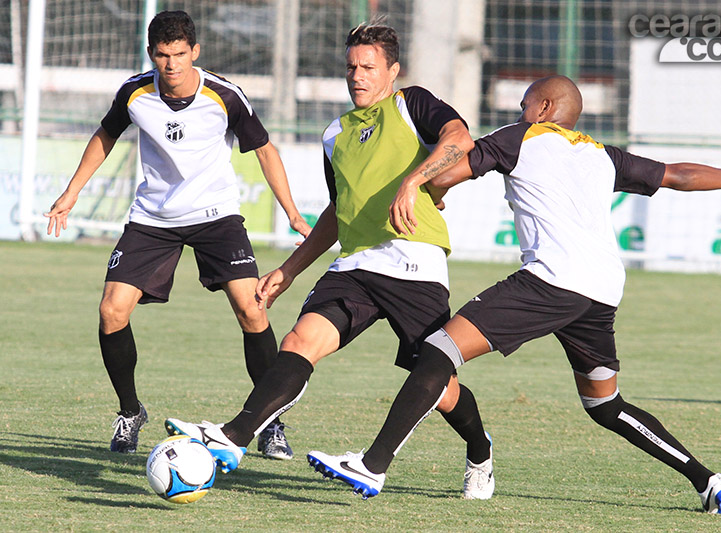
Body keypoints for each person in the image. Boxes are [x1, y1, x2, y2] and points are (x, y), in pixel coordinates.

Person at [306, 75, 721, 513]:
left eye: (524, 100)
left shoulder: (520, 136)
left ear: (544, 107)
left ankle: (372, 464)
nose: (519, 106)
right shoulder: (602, 154)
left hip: (551, 281)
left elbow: (454, 167)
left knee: (438, 351)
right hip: (601, 291)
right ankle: (708, 480)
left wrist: (424, 185)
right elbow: (677, 175)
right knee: (606, 405)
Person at [164, 19, 497, 500]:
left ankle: (480, 452)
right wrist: (290, 269)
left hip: (413, 261)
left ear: (392, 71)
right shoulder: (334, 134)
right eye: (350, 67)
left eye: (368, 67)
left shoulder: (412, 104)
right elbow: (338, 213)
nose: (357, 75)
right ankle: (234, 436)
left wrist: (413, 181)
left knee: (439, 385)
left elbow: (459, 139)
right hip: (355, 266)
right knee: (301, 340)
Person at [44, 10, 311, 459]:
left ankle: (269, 421)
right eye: (163, 56)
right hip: (153, 219)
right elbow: (105, 136)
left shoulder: (224, 95)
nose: (171, 65)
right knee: (112, 311)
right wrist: (71, 192)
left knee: (252, 309)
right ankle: (130, 412)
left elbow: (265, 150)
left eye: (180, 55)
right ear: (151, 54)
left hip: (216, 217)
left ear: (195, 52)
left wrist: (293, 213)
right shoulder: (134, 92)